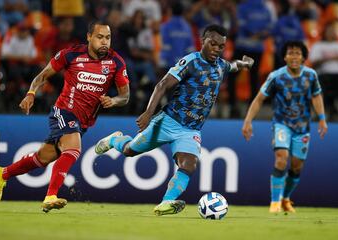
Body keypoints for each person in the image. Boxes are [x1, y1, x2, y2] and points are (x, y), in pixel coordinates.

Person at [94, 24, 254, 216]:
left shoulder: (220, 65)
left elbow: (232, 66)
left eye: (221, 47)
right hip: (167, 121)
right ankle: (114, 139)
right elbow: (162, 85)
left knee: (189, 165)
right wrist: (148, 113)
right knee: (130, 151)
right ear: (203, 41)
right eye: (213, 44)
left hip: (190, 130)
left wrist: (244, 64)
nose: (216, 49)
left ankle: (166, 202)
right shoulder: (190, 62)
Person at [0, 21, 130, 212]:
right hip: (63, 111)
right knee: (74, 148)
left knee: (43, 158)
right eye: (99, 37)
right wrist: (31, 93)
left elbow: (125, 96)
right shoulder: (70, 54)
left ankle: (3, 173)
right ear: (89, 37)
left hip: (84, 121)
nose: (104, 42)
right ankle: (50, 196)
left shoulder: (116, 62)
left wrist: (114, 101)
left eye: (108, 37)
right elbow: (42, 75)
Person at [242, 41, 328, 213]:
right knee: (281, 158)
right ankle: (274, 202)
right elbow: (259, 98)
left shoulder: (311, 76)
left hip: (303, 127)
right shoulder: (276, 76)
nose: (294, 56)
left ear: (303, 57)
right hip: (282, 124)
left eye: (298, 53)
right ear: (284, 57)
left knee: (297, 166)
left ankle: (286, 198)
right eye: (290, 53)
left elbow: (316, 97)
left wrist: (322, 119)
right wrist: (248, 121)